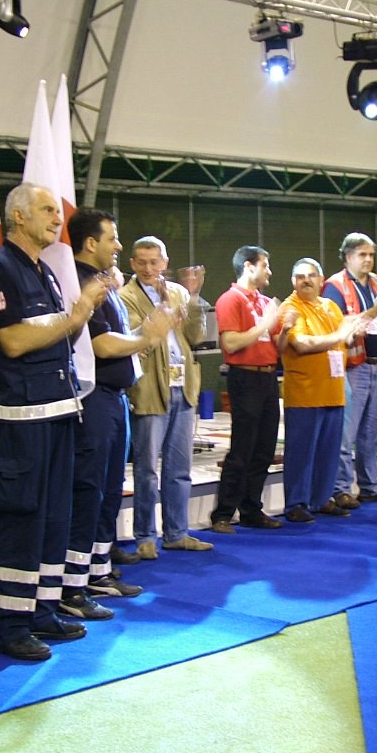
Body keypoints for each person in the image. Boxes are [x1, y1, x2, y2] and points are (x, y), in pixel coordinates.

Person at [0, 182, 106, 661]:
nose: (56, 216)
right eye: (47, 209)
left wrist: (71, 320)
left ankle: (42, 609)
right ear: (19, 217)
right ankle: (9, 623)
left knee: (53, 515)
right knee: (20, 515)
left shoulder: (43, 271)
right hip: (20, 416)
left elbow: (55, 339)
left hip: (56, 408)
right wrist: (77, 314)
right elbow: (15, 340)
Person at [62, 209, 174, 620]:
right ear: (91, 242)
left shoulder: (102, 284)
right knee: (88, 489)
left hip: (114, 398)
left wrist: (142, 339)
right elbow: (100, 345)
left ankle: (98, 570)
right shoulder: (79, 282)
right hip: (93, 399)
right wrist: (147, 335)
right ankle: (73, 585)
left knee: (108, 490)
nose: (119, 246)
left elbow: (119, 342)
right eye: (113, 238)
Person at [120, 236, 214, 559]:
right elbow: (136, 339)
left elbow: (196, 336)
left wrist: (195, 298)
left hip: (183, 386)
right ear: (132, 264)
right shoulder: (126, 296)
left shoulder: (178, 292)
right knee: (146, 469)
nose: (148, 268)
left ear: (164, 262)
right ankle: (146, 537)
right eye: (142, 262)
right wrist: (162, 312)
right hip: (149, 387)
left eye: (154, 262)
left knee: (180, 467)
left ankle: (177, 532)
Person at [277, 257, 368, 523]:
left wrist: (354, 333)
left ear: (321, 280)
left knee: (329, 451)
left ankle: (321, 499)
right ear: (293, 282)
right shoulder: (290, 307)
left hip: (334, 389)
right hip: (305, 393)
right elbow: (303, 344)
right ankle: (295, 503)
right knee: (301, 452)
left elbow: (344, 340)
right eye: (300, 276)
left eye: (311, 275)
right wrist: (340, 336)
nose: (306, 280)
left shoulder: (330, 306)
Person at [210, 246, 284, 533]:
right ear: (249, 267)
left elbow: (276, 346)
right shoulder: (230, 300)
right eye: (265, 265)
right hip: (245, 377)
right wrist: (266, 323)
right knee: (242, 448)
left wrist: (285, 327)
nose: (269, 272)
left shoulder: (265, 301)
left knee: (265, 448)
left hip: (268, 378)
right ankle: (223, 513)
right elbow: (230, 343)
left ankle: (252, 508)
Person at [323, 232, 377, 507]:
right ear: (347, 257)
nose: (368, 260)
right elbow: (341, 326)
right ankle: (341, 488)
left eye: (371, 255)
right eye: (362, 255)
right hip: (353, 365)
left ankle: (370, 485)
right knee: (348, 432)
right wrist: (376, 310)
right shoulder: (334, 286)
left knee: (374, 430)